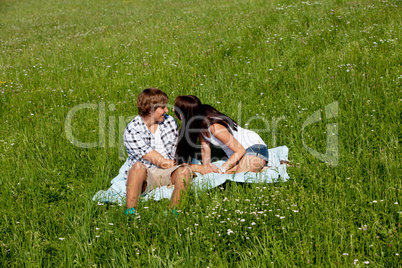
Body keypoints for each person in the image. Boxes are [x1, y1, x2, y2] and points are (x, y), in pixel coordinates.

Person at [123, 88, 192, 215]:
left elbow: (176, 153)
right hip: (146, 173)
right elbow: (162, 163)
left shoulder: (169, 122)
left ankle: (174, 213)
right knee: (137, 167)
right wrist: (197, 168)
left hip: (168, 171)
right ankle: (131, 213)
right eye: (163, 107)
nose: (166, 110)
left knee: (185, 171)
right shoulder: (133, 130)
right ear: (150, 110)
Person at [174, 95, 269, 174]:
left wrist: (223, 168)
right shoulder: (198, 123)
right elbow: (205, 146)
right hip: (240, 156)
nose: (173, 109)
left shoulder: (214, 128)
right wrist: (206, 166)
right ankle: (260, 168)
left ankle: (265, 168)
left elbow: (240, 150)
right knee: (222, 176)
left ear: (182, 115)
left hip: (254, 148)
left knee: (239, 177)